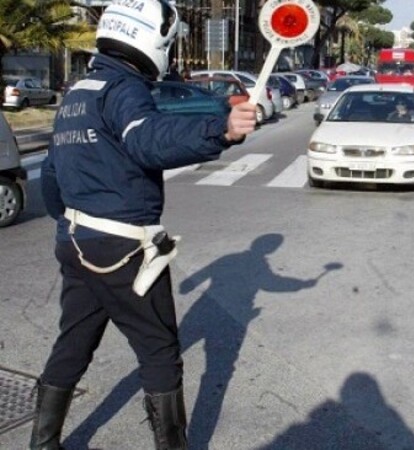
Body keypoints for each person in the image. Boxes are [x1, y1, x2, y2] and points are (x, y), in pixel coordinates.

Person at [31, 1, 257, 449]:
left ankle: (42, 443)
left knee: (73, 343)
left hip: (76, 242)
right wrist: (223, 129)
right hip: (125, 249)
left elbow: (53, 179)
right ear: (152, 39)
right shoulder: (124, 89)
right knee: (159, 352)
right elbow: (148, 139)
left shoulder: (78, 93)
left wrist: (77, 229)